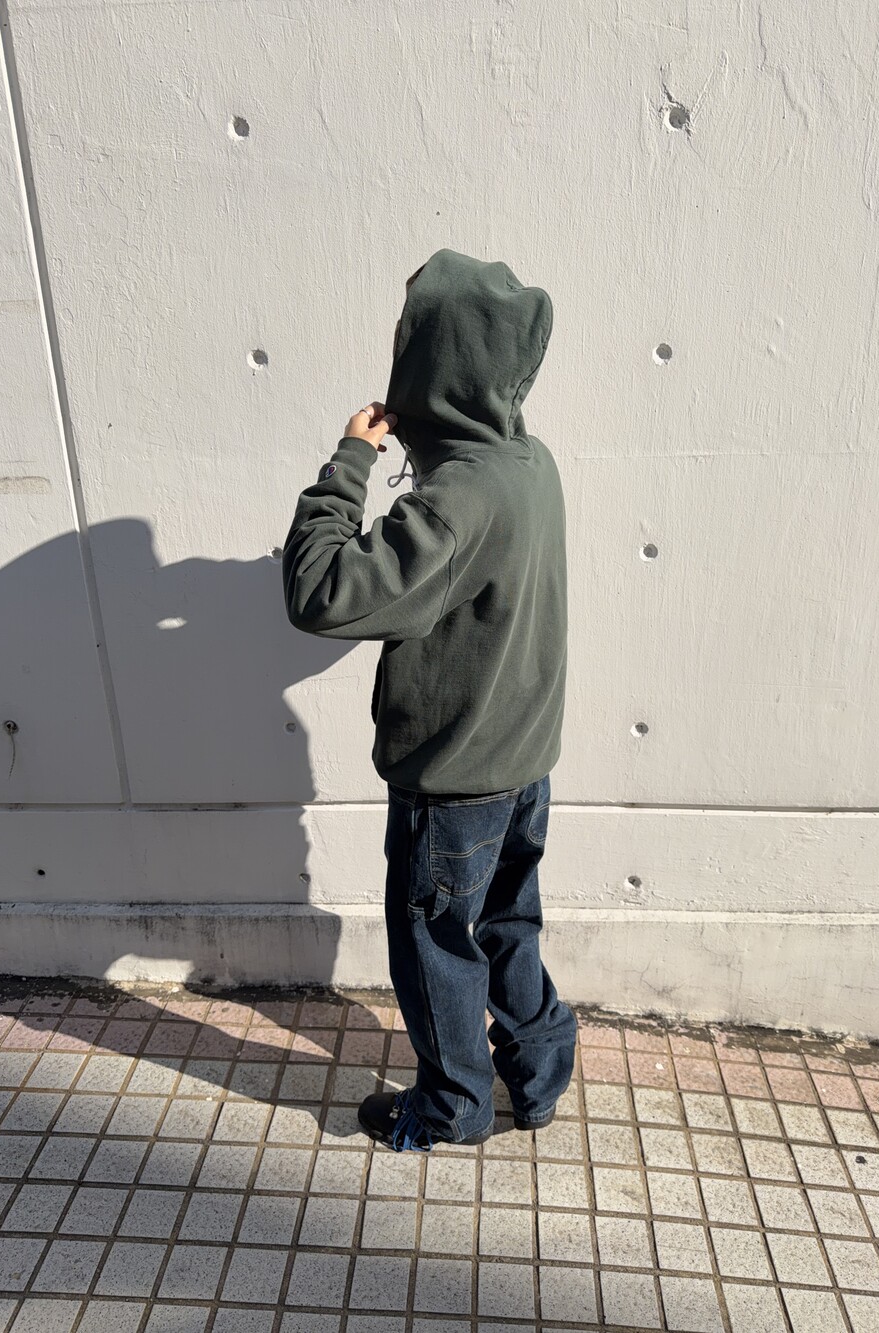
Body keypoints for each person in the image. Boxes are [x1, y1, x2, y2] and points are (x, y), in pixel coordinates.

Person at [282, 247, 577, 1151]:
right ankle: (540, 1072)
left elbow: (321, 592)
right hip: (524, 764)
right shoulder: (530, 462)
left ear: (432, 365)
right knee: (508, 924)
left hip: (454, 784)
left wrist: (352, 457)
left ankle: (453, 1104)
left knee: (437, 944)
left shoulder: (453, 503)